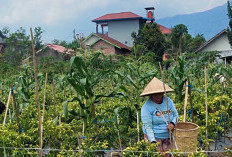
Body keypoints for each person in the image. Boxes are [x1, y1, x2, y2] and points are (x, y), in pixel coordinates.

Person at [141, 77, 178, 155]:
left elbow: (176, 115)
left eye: (159, 94)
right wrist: (153, 142)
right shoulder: (146, 107)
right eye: (155, 95)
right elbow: (148, 127)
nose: (157, 97)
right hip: (154, 136)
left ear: (163, 93)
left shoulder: (168, 101)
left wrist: (173, 123)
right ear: (150, 95)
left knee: (169, 155)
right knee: (156, 155)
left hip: (168, 137)